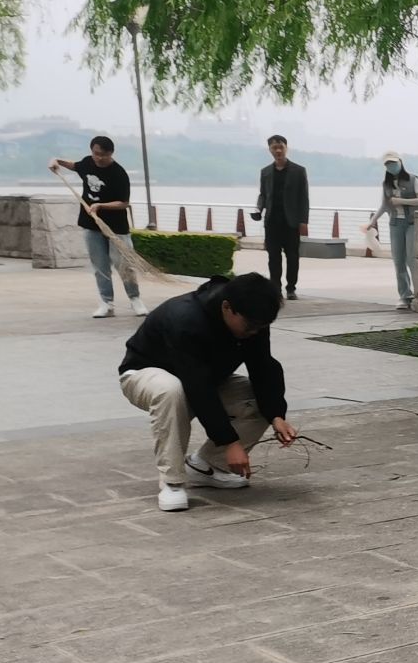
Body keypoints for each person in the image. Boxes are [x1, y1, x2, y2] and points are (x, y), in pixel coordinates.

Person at [117, 272, 297, 512]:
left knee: (257, 400)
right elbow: (197, 385)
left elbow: (262, 366)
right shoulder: (186, 319)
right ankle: (172, 482)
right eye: (250, 326)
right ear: (227, 307)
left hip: (205, 379)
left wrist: (276, 415)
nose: (254, 332)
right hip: (143, 374)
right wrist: (230, 441)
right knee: (172, 390)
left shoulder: (254, 320)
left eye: (261, 327)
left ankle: (205, 466)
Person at [49, 135, 146, 319]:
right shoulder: (87, 163)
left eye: (104, 155)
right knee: (100, 266)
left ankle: (135, 299)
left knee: (125, 265)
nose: (99, 158)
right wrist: (57, 161)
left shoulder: (118, 173)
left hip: (116, 227)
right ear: (92, 151)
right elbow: (75, 166)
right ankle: (106, 303)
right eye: (96, 153)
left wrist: (101, 205)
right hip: (91, 224)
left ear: (111, 153)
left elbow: (124, 203)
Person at [364, 151, 418, 311]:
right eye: (387, 164)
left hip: (411, 223)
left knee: (411, 259)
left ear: (400, 162)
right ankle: (405, 296)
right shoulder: (386, 184)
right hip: (395, 224)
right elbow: (384, 205)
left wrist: (401, 201)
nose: (391, 166)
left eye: (393, 163)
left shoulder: (413, 179)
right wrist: (372, 222)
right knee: (398, 261)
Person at [252, 134, 310, 299]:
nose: (278, 151)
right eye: (274, 148)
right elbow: (263, 195)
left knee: (292, 256)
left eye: (281, 147)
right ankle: (275, 289)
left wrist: (303, 221)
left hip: (291, 222)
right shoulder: (265, 172)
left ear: (286, 148)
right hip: (272, 221)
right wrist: (258, 209)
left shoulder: (299, 171)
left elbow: (303, 198)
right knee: (273, 257)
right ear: (269, 150)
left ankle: (291, 288)